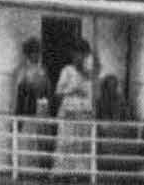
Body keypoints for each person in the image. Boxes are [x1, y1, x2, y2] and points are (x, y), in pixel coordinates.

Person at [52, 39, 100, 174]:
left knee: (82, 144)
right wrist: (71, 91)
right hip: (69, 110)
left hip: (84, 112)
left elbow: (94, 94)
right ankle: (62, 172)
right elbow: (58, 94)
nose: (80, 57)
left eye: (83, 54)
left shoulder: (90, 74)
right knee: (67, 142)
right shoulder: (67, 71)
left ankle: (81, 172)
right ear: (73, 54)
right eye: (78, 53)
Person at [12, 37, 54, 170]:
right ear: (28, 54)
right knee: (27, 139)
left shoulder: (43, 70)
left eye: (38, 52)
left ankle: (39, 169)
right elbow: (18, 92)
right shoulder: (22, 70)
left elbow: (48, 89)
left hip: (41, 109)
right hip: (27, 108)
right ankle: (25, 168)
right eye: (33, 52)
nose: (36, 55)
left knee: (40, 140)